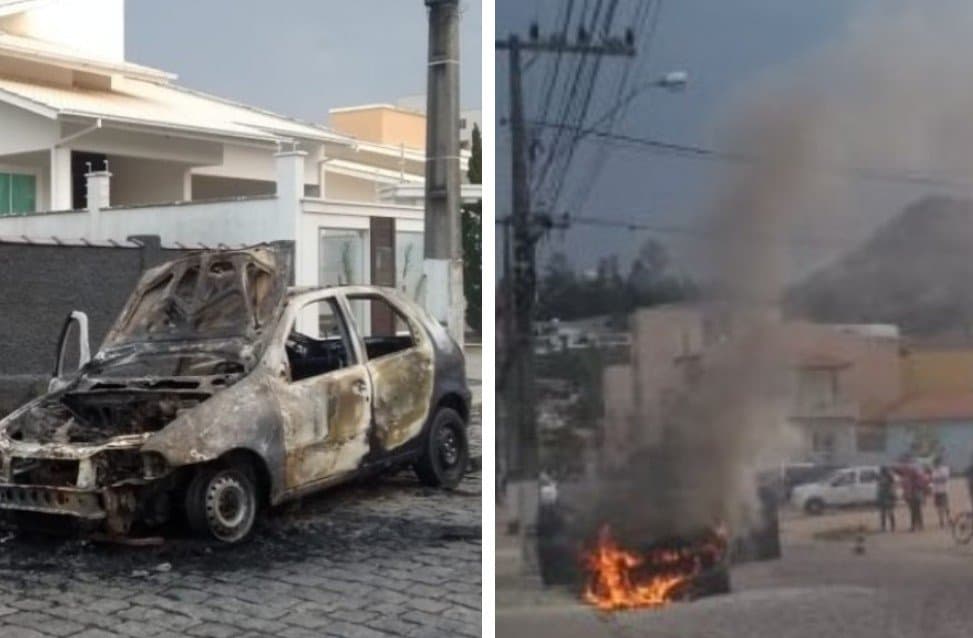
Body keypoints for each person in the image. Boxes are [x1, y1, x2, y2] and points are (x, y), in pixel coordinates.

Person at [931, 457, 951, 528]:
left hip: (943, 490)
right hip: (936, 491)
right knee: (938, 507)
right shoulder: (934, 470)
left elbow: (945, 478)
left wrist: (937, 479)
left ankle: (948, 519)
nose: (935, 464)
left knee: (945, 506)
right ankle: (941, 521)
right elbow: (933, 479)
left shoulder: (944, 469)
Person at [877, 466, 896, 532]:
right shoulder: (880, 478)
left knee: (889, 512)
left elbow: (892, 488)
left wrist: (892, 496)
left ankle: (892, 527)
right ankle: (884, 527)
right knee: (883, 513)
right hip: (883, 497)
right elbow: (879, 488)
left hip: (888, 497)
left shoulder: (890, 479)